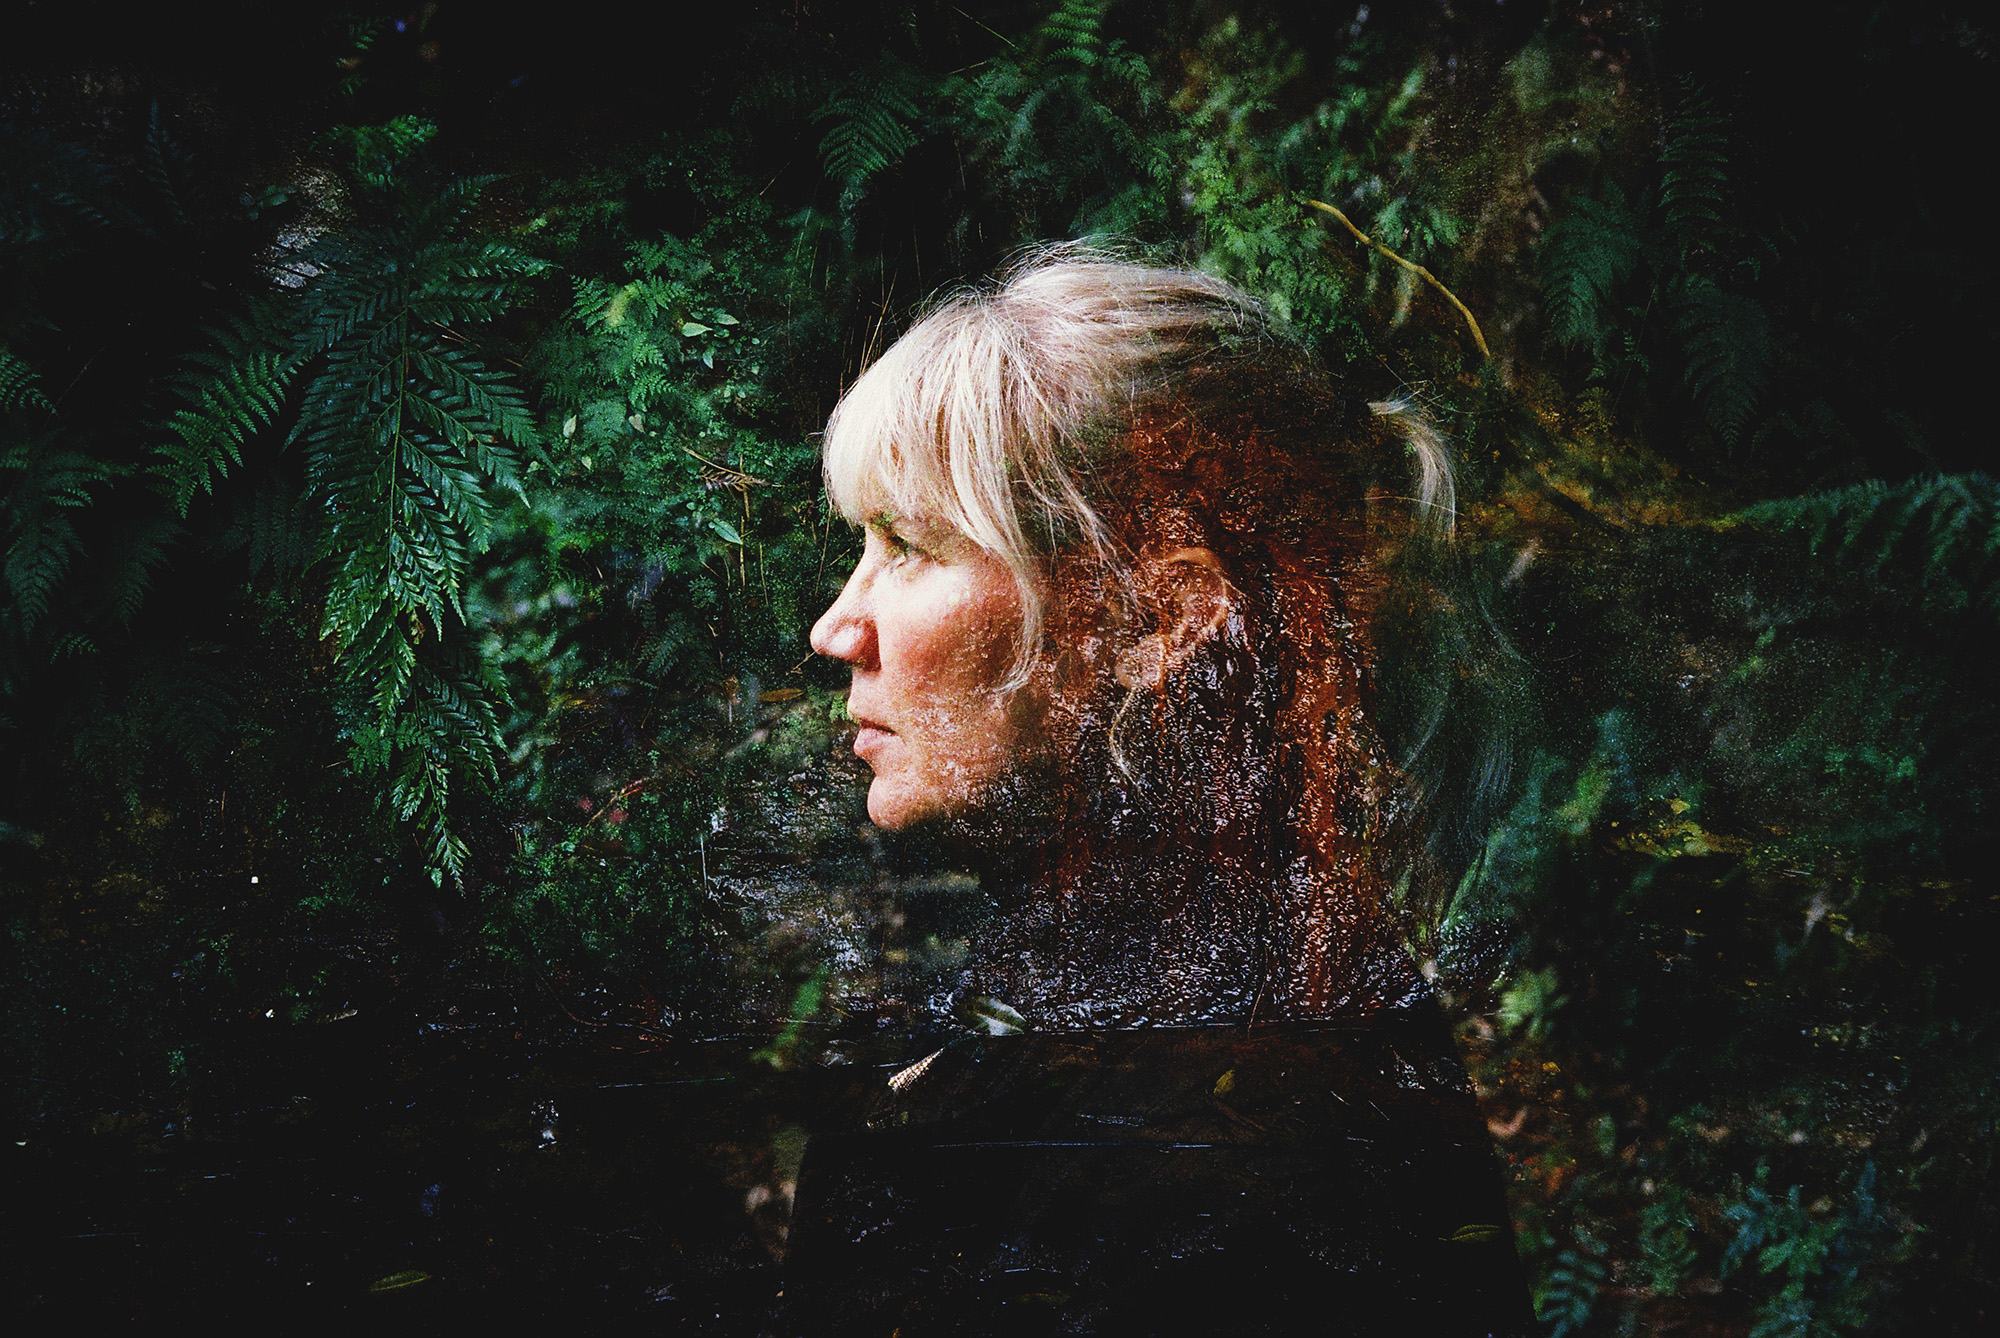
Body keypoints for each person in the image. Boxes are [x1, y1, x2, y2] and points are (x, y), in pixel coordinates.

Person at [784, 248, 1529, 1334]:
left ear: (1156, 625)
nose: (834, 628)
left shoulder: (1198, 1120)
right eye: (861, 544)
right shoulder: (1267, 972)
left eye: (908, 546)